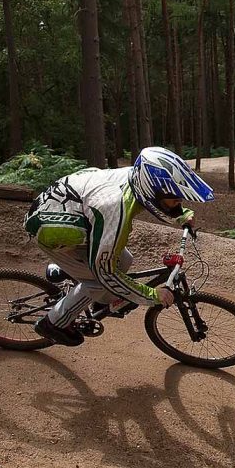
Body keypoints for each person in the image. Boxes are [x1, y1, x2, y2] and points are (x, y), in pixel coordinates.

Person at [23, 146, 214, 346]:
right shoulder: (114, 210)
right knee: (98, 280)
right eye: (175, 199)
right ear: (153, 190)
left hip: (67, 207)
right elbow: (105, 272)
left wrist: (180, 214)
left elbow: (158, 202)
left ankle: (82, 283)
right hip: (53, 228)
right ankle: (53, 323)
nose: (178, 202)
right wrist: (151, 295)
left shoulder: (137, 178)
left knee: (125, 259)